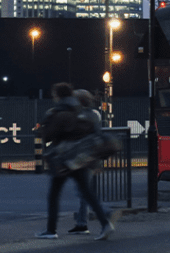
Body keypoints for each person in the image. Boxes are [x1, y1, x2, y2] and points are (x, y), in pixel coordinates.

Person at [36, 82, 114, 241]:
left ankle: (51, 230)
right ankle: (105, 223)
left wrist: (42, 130)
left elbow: (48, 135)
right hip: (80, 158)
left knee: (54, 194)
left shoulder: (58, 112)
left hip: (63, 159)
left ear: (57, 95)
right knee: (86, 191)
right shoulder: (82, 111)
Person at [69, 89, 104, 234]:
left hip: (83, 158)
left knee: (83, 192)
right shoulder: (94, 115)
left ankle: (105, 214)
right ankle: (82, 223)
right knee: (83, 192)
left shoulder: (81, 116)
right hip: (87, 157)